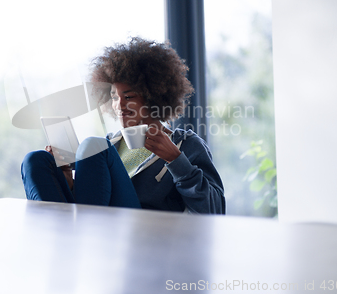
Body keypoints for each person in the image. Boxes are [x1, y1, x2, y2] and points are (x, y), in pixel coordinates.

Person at [21, 37, 225, 214]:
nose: (119, 105)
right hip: (102, 227)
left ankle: (79, 239)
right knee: (36, 160)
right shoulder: (112, 144)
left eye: (128, 96)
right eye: (113, 97)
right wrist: (68, 180)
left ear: (152, 97)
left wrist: (176, 161)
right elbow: (98, 198)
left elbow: (214, 210)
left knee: (93, 146)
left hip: (146, 235)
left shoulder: (185, 145)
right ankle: (59, 238)